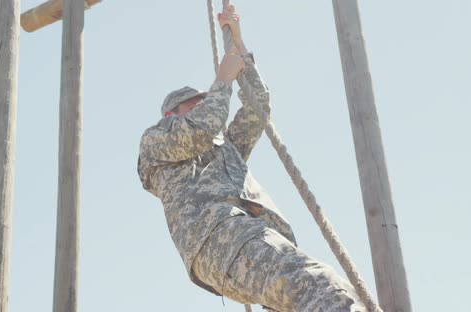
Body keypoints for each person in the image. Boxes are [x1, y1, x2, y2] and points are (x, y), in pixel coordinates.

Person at [138, 5, 365, 312]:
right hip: (219, 236)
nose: (204, 106)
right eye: (193, 104)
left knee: (314, 296)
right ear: (170, 114)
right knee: (317, 284)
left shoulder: (223, 149)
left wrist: (239, 44)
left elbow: (258, 109)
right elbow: (201, 128)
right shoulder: (157, 141)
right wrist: (222, 81)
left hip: (245, 238)